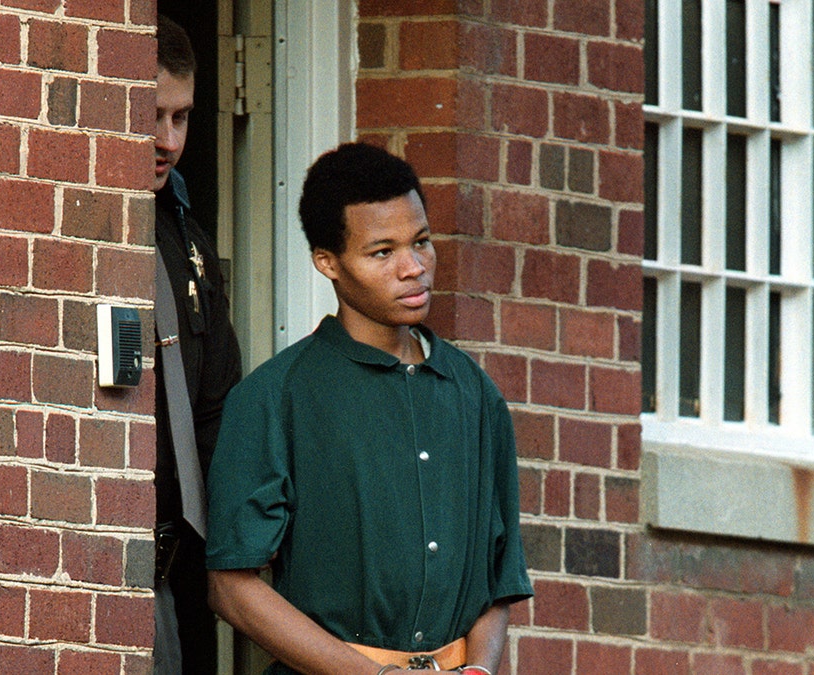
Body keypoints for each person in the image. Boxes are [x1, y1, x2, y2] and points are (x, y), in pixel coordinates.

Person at [204, 142, 533, 675]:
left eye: (421, 243)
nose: (413, 268)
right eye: (383, 252)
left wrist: (480, 670)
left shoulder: (473, 392)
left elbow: (498, 581)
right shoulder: (275, 397)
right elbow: (231, 587)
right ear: (327, 262)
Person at [153, 14, 244, 675]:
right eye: (151, 115)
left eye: (181, 118)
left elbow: (218, 411)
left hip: (176, 575)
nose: (167, 140)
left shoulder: (188, 241)